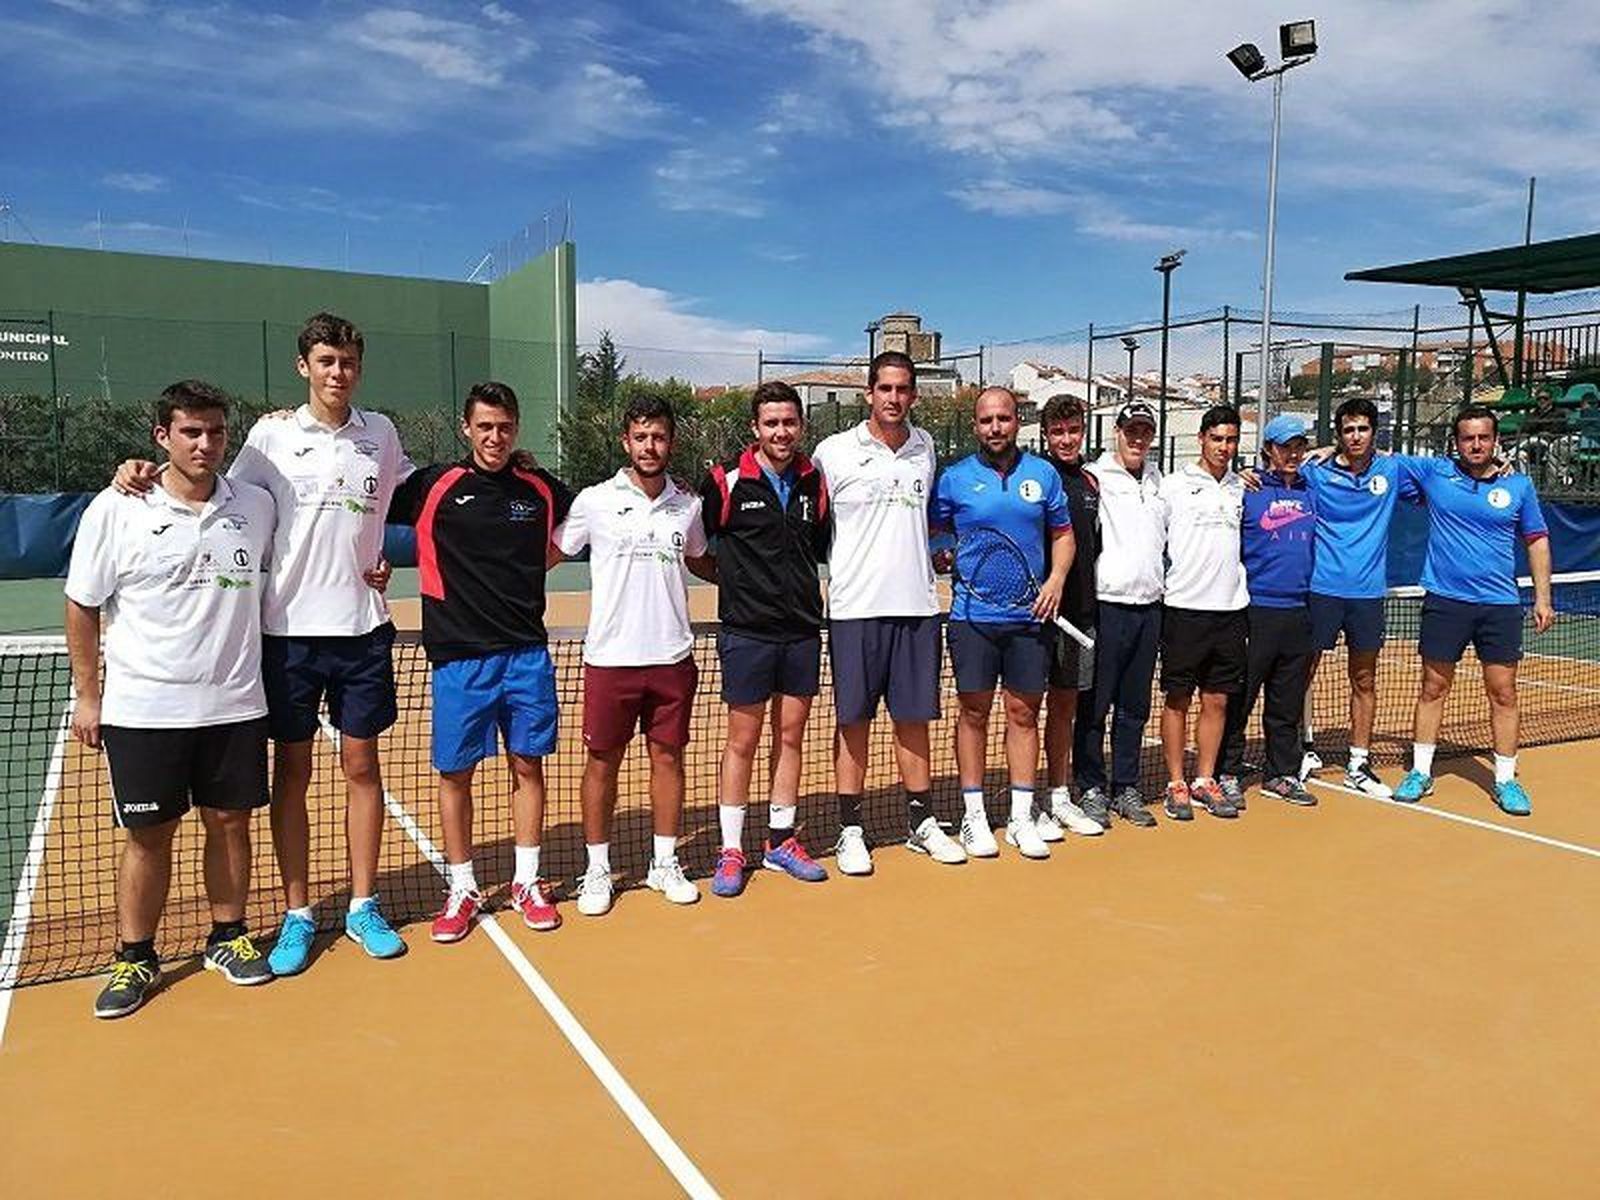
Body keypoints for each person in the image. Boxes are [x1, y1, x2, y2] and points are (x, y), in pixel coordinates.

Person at [115, 313, 413, 973]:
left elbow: (403, 493)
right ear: (304, 366)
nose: (339, 373)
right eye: (327, 361)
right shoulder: (270, 436)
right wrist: (136, 471)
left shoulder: (382, 434)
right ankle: (298, 913)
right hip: (286, 638)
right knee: (294, 775)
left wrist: (379, 561)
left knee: (363, 770)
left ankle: (363, 905)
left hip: (363, 630)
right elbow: (208, 484)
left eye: (349, 361)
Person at [67, 381, 277, 1017]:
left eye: (215, 431)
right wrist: (88, 696)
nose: (205, 443)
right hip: (144, 711)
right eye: (190, 432)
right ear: (162, 437)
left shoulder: (257, 505)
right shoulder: (116, 507)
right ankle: (135, 955)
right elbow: (81, 603)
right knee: (149, 835)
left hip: (236, 704)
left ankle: (228, 936)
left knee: (230, 823)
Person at [386, 382, 573, 940]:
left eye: (504, 427)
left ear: (516, 429)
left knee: (528, 767)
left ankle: (526, 881)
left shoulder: (540, 487)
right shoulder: (432, 485)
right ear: (466, 428)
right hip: (459, 656)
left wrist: (551, 556)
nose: (495, 437)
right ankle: (462, 887)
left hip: (525, 654)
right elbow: (363, 504)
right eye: (484, 426)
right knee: (456, 774)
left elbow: (593, 512)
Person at [554, 394, 711, 916]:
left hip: (672, 657)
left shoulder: (688, 505)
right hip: (610, 660)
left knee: (668, 760)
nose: (650, 446)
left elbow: (702, 559)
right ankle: (597, 868)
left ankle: (663, 861)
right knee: (602, 764)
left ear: (672, 441)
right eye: (641, 437)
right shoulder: (595, 501)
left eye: (659, 436)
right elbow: (552, 553)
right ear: (626, 441)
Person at [812, 350, 966, 871]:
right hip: (855, 608)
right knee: (853, 721)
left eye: (903, 390)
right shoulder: (831, 453)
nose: (894, 398)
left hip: (919, 607)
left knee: (913, 720)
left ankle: (921, 822)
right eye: (885, 389)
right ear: (868, 393)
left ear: (914, 395)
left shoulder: (925, 448)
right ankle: (850, 830)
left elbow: (931, 522)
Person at [696, 381, 831, 897]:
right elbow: (696, 551)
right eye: (771, 423)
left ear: (801, 426)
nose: (781, 431)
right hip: (746, 634)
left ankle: (779, 841)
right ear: (755, 428)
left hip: (799, 631)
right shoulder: (724, 483)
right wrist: (733, 581)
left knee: (791, 737)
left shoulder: (813, 483)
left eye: (789, 422)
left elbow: (816, 546)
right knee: (742, 741)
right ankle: (731, 849)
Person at [929, 386, 1073, 860]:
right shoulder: (953, 479)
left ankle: (1020, 816)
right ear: (976, 426)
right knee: (973, 713)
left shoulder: (1043, 474)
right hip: (972, 617)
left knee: (1024, 714)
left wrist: (1055, 580)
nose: (995, 427)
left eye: (1004, 419)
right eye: (987, 420)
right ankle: (973, 818)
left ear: (1017, 421)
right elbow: (934, 533)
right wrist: (941, 552)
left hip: (1030, 616)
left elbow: (1063, 535)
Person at [1392, 406, 1553, 813]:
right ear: (1456, 442)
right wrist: (1325, 450)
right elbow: (1375, 460)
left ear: (1496, 440)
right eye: (1468, 438)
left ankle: (1505, 780)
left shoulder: (1518, 486)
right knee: (1433, 688)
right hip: (1446, 602)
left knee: (1503, 693)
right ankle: (1421, 772)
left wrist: (1543, 597)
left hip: (1499, 605)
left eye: (1483, 437)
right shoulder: (1435, 474)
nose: (1476, 444)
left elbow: (1536, 539)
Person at [1295, 398, 1425, 799]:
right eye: (1348, 429)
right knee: (1302, 672)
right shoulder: (1314, 472)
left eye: (1363, 429)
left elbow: (1446, 475)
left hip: (1368, 595)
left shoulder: (1393, 469)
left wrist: (1503, 467)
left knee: (1364, 678)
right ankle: (1300, 749)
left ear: (1374, 433)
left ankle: (1358, 762)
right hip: (1321, 589)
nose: (1355, 436)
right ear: (1338, 434)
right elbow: (1277, 473)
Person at [1073, 401, 1165, 827]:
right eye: (1131, 430)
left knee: (1134, 707)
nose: (1138, 438)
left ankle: (1125, 787)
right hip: (1106, 607)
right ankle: (1090, 786)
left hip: (1150, 608)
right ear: (1117, 431)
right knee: (1094, 705)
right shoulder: (1095, 477)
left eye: (1145, 431)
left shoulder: (1159, 480)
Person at [1218, 414, 1318, 807]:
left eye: (1299, 446)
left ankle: (1282, 773)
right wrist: (1241, 475)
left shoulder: (1314, 489)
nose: (1292, 453)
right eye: (1284, 446)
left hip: (1300, 611)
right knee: (1240, 697)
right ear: (1268, 451)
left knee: (1286, 701)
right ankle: (1226, 771)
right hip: (1255, 610)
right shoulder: (1248, 490)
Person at [1156, 405, 1248, 821]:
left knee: (1217, 701)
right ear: (1201, 439)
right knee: (1177, 699)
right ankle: (1176, 782)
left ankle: (1204, 779)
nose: (1224, 448)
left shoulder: (1242, 487)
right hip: (1183, 609)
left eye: (1231, 440)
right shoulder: (1173, 486)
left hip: (1230, 610)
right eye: (1217, 439)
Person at [1038, 396, 1109, 836]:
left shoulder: (1091, 482)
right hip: (1035, 616)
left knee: (1065, 707)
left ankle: (1059, 795)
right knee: (1022, 710)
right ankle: (1024, 800)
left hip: (1080, 614)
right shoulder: (1036, 475)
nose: (1066, 439)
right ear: (1045, 434)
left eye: (1073, 431)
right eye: (1057, 431)